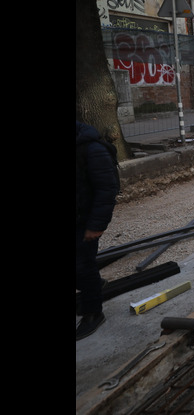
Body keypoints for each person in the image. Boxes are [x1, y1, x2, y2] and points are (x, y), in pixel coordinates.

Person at [76, 122, 121, 340]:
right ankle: (92, 287)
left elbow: (106, 189)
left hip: (84, 222)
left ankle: (93, 312)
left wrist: (95, 226)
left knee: (83, 265)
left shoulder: (92, 150)